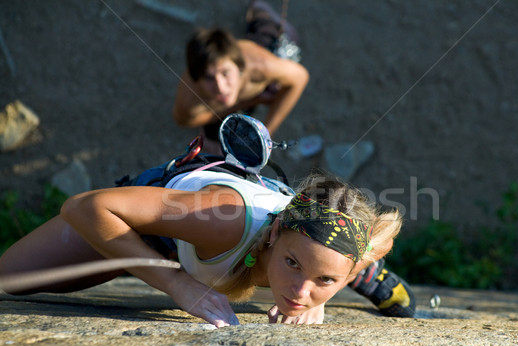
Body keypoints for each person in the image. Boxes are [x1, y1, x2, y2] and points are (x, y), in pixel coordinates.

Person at [0, 168, 404, 327]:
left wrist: (321, 298)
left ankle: (362, 273)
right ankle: (130, 254)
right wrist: (175, 283)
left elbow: (313, 274)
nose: (300, 292)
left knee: (325, 267)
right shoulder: (224, 221)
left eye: (325, 278)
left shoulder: (321, 267)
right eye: (293, 263)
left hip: (324, 246)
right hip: (164, 231)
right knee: (12, 277)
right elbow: (84, 206)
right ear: (275, 233)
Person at [172, 17, 309, 154]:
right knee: (218, 143)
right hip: (253, 95)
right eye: (209, 77)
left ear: (239, 67)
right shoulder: (189, 101)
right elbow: (185, 120)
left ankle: (261, 10)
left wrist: (266, 136)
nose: (220, 87)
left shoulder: (261, 67)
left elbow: (300, 77)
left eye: (225, 73)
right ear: (197, 79)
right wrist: (253, 100)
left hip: (260, 49)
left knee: (271, 34)